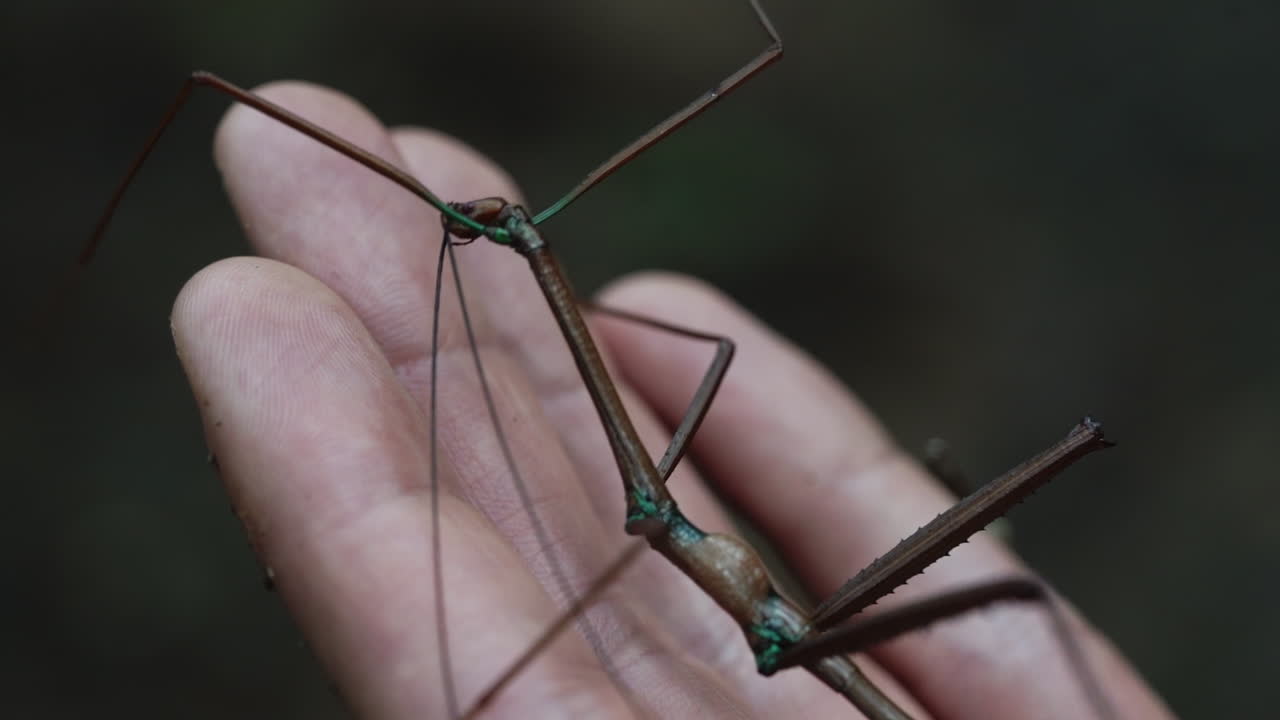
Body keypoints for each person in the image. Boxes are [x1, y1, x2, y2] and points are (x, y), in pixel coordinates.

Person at [172, 81, 1175, 719]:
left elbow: (710, 357)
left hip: (801, 637)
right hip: (789, 624)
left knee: (1000, 586)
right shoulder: (634, 463)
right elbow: (713, 352)